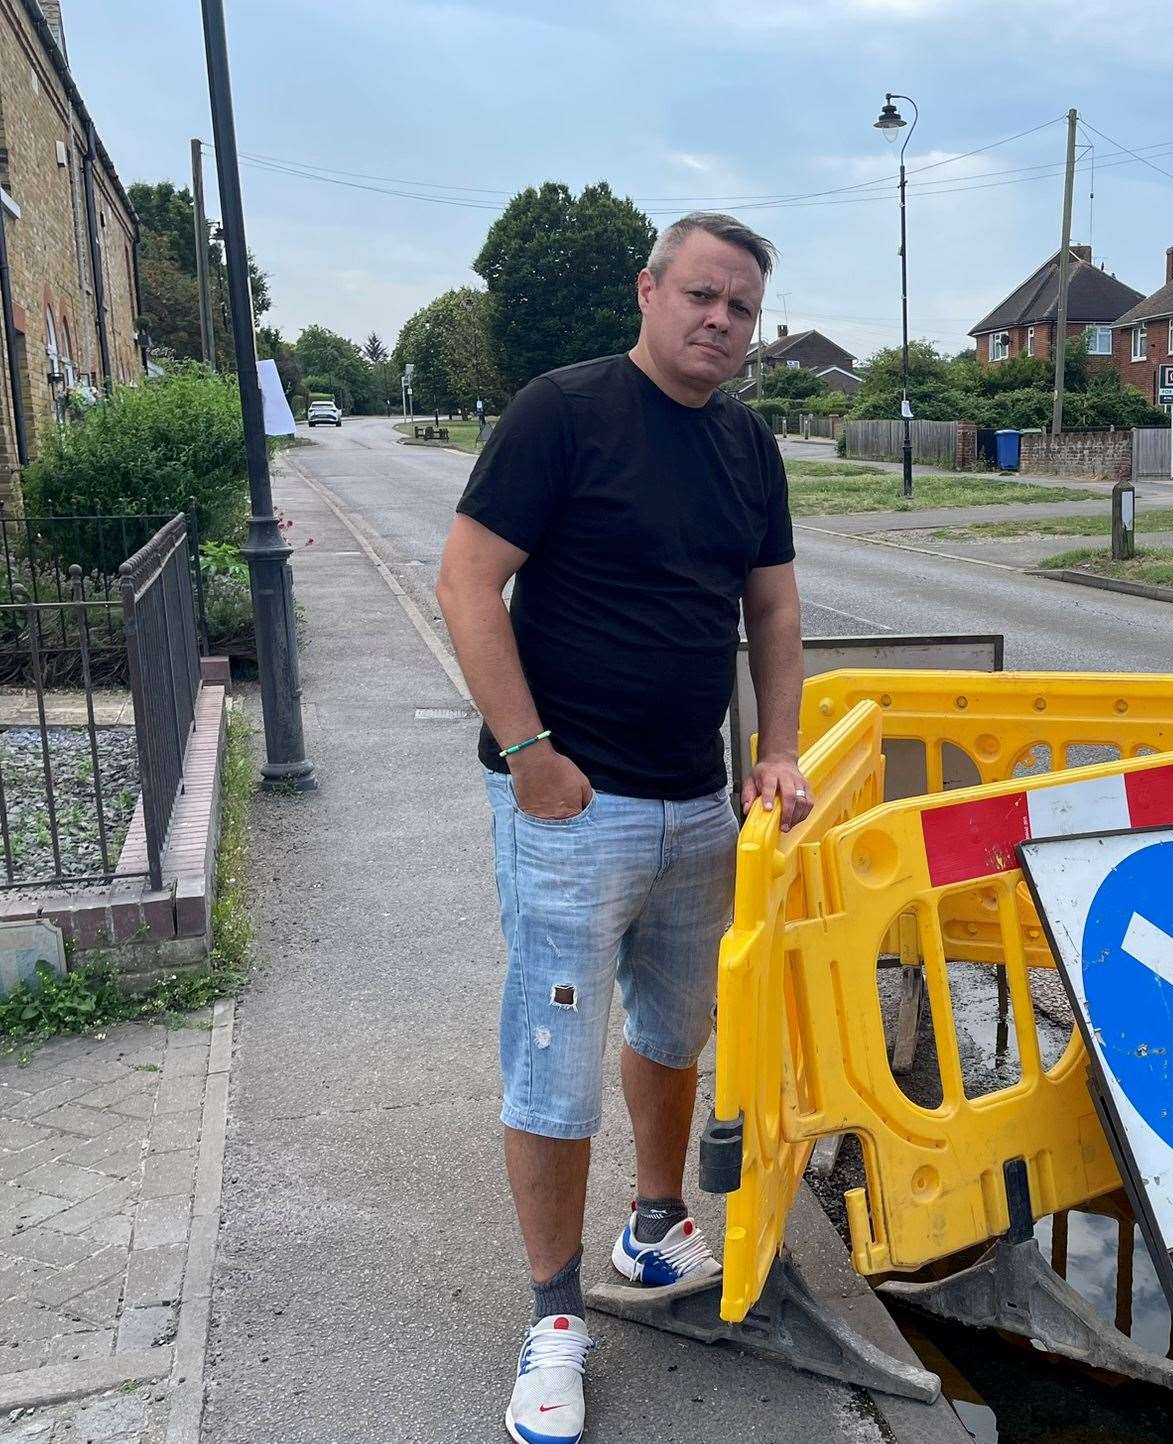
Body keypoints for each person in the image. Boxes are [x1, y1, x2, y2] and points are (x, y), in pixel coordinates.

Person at [435, 211, 810, 1444]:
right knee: (555, 1051)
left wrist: (775, 753)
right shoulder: (563, 412)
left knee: (671, 1025)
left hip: (696, 801)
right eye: (701, 294)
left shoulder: (749, 446)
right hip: (568, 806)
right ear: (648, 290)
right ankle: (553, 1320)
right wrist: (531, 753)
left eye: (740, 308)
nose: (719, 321)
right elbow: (465, 580)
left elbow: (772, 612)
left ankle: (654, 1224)